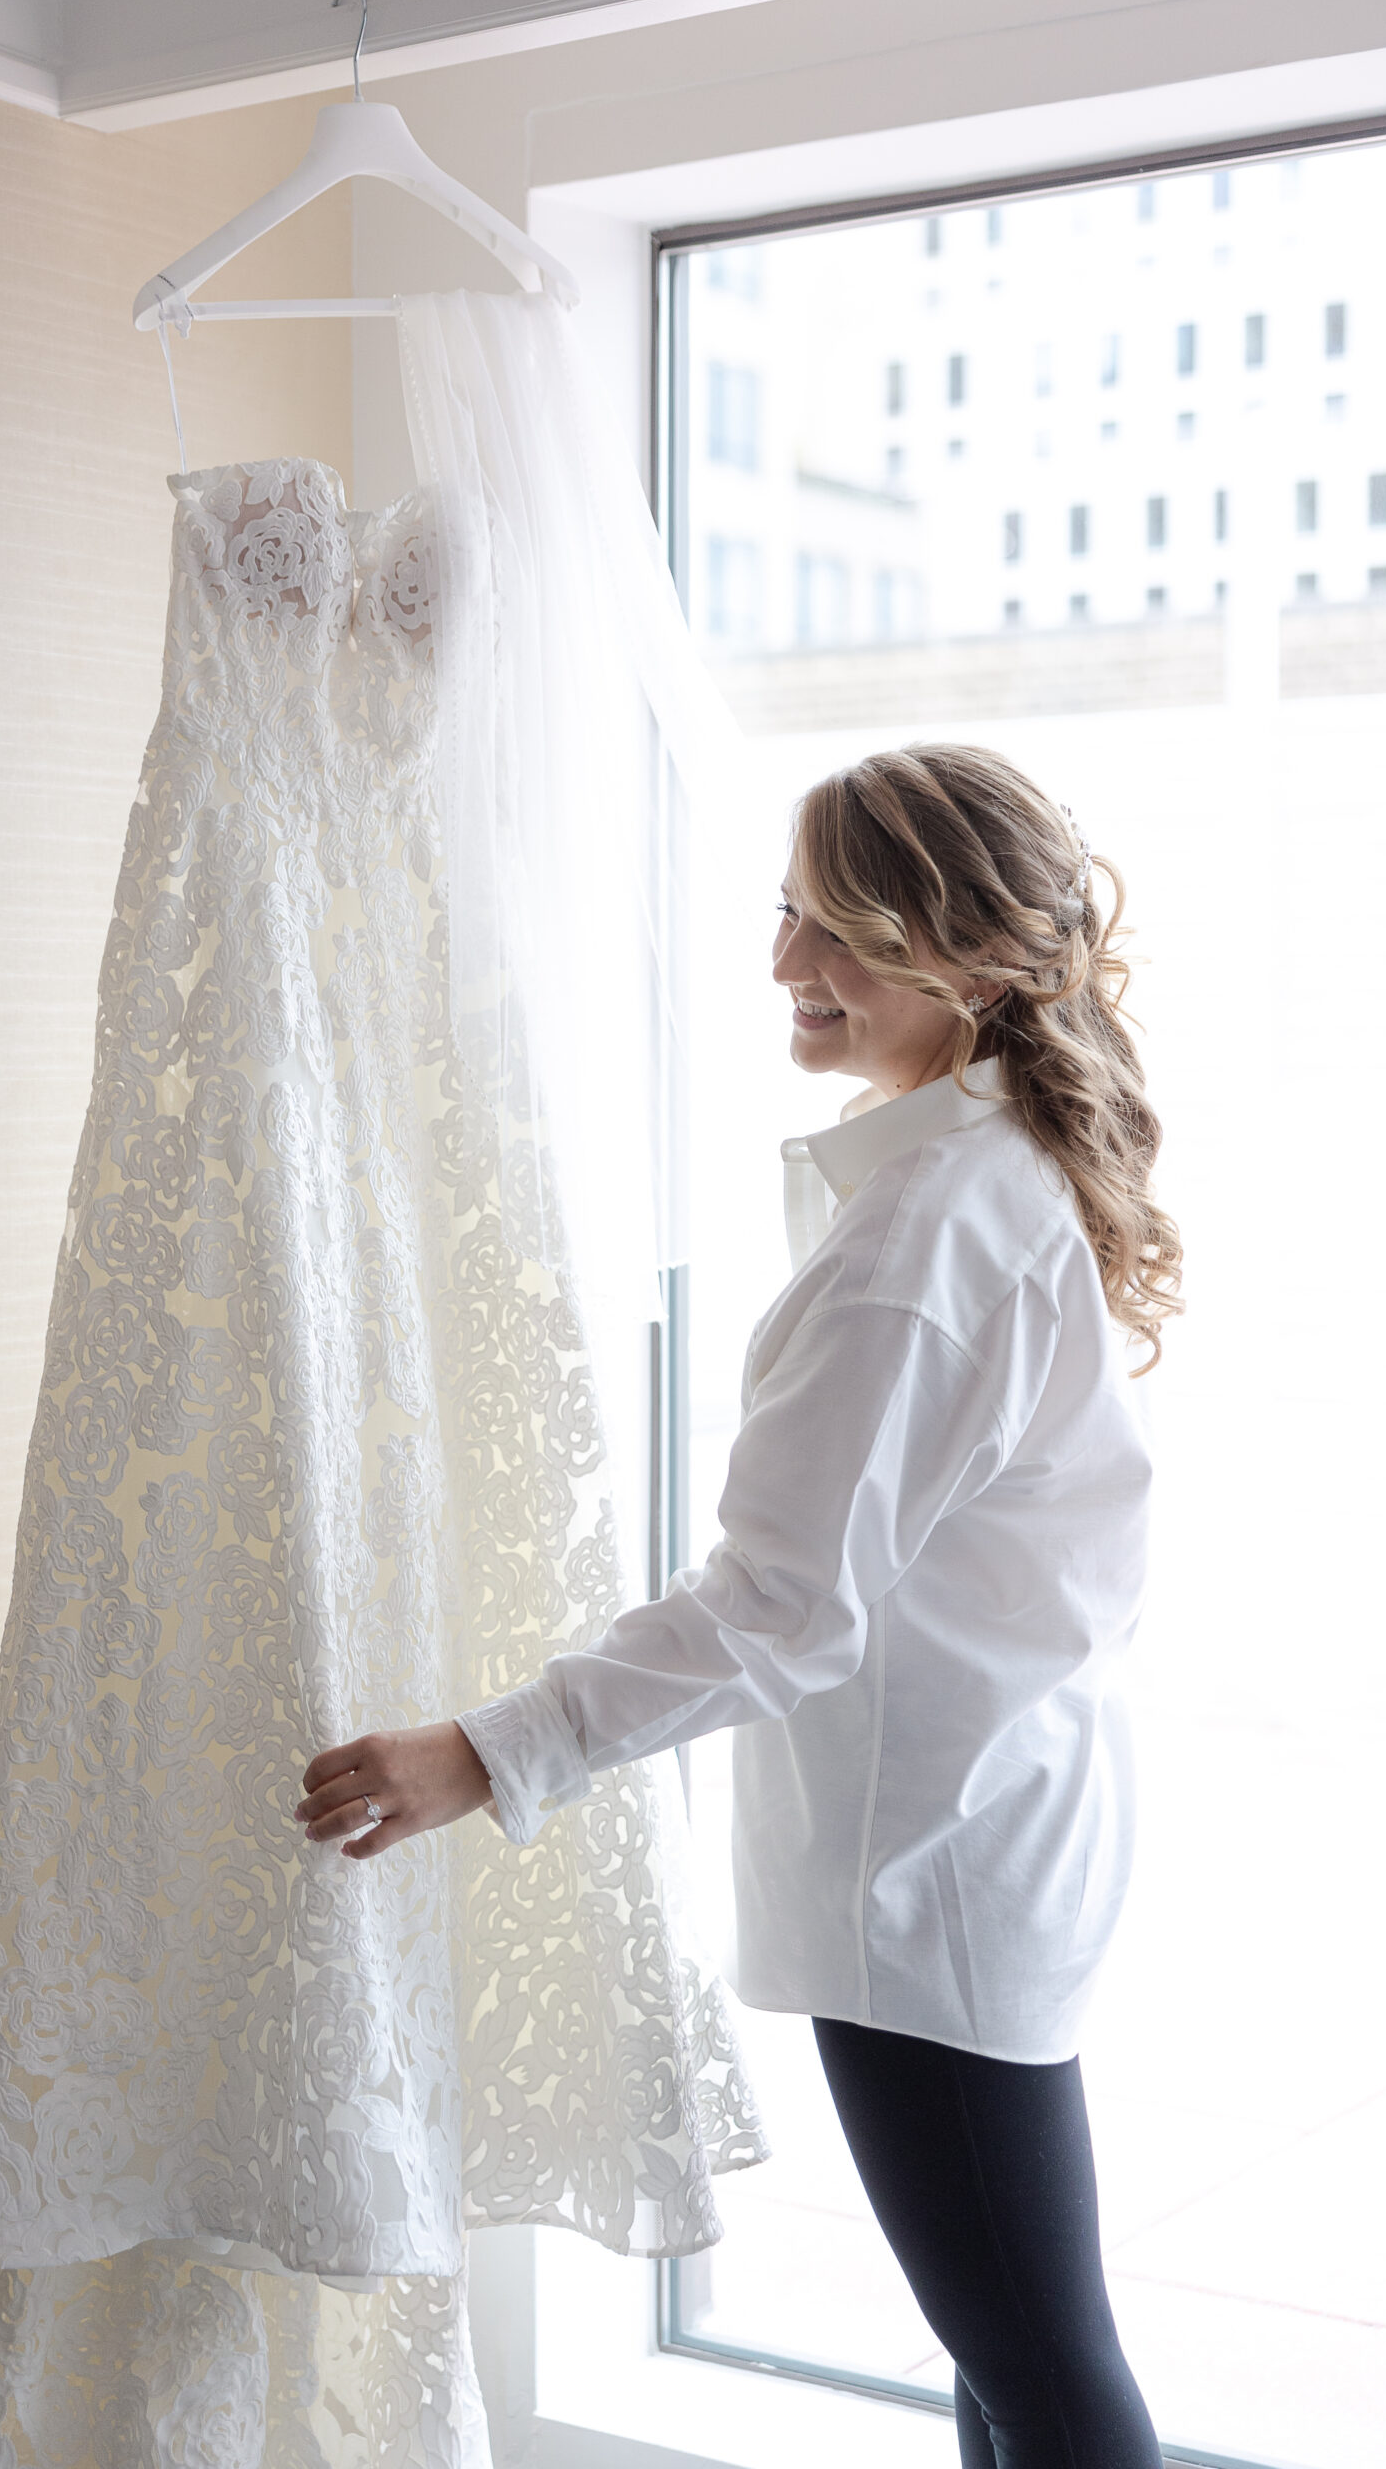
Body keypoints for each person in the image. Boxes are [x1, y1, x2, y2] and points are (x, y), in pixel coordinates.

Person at [293, 742, 1182, 2468]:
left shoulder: (928, 1233)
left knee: (1044, 2380)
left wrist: (484, 1753)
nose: (787, 967)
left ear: (976, 961)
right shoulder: (981, 1177)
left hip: (937, 1870)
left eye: (840, 933)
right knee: (1010, 2371)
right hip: (986, 1832)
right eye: (791, 915)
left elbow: (781, 1604)